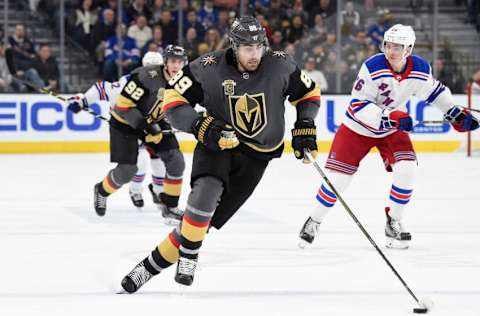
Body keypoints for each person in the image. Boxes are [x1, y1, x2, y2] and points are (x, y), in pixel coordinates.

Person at [119, 15, 321, 293]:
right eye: (247, 48)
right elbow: (173, 101)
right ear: (234, 46)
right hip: (218, 143)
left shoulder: (280, 64)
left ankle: (147, 267)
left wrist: (306, 125)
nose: (255, 54)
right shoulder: (207, 67)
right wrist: (198, 124)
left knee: (199, 223)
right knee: (204, 194)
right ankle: (188, 256)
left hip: (258, 157)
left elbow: (308, 93)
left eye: (258, 46)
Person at [298, 24, 480, 250]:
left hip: (390, 130)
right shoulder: (373, 66)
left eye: (398, 46)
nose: (391, 50)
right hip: (357, 128)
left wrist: (454, 113)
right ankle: (313, 221)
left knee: (407, 168)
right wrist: (390, 116)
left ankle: (393, 221)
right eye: (388, 45)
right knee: (339, 180)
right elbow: (357, 105)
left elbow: (435, 93)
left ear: (409, 49)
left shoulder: (421, 69)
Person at [74, 46, 188, 224]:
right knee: (128, 171)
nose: (176, 66)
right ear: (164, 63)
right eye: (172, 61)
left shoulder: (184, 81)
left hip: (153, 122)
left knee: (176, 161)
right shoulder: (143, 77)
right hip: (125, 123)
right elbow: (122, 106)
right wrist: (83, 101)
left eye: (179, 62)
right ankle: (102, 190)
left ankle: (170, 208)